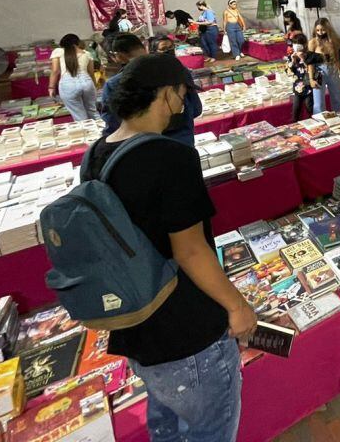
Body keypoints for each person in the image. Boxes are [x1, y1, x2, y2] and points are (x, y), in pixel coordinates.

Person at [84, 53, 256, 441]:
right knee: (210, 430)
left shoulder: (96, 153)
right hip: (187, 330)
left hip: (137, 326)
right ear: (165, 95)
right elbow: (191, 250)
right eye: (181, 95)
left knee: (165, 426)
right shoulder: (171, 157)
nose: (182, 106)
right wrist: (237, 306)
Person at [101, 35, 202, 146]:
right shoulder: (178, 71)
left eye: (171, 47)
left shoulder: (114, 84)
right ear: (145, 47)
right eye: (164, 49)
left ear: (118, 55)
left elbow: (113, 124)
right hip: (182, 141)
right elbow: (196, 108)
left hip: (140, 147)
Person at [307, 18, 340, 113]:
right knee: (319, 103)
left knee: (336, 99)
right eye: (318, 30)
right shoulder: (313, 42)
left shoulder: (335, 41)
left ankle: (338, 118)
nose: (320, 32)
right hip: (318, 72)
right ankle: (320, 123)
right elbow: (310, 63)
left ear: (328, 29)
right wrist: (311, 79)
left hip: (333, 70)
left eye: (323, 30)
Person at [50, 34, 100, 121]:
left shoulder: (58, 51)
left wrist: (51, 87)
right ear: (78, 42)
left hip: (68, 84)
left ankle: (87, 133)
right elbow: (91, 73)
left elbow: (55, 71)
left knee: (79, 116)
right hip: (87, 82)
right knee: (93, 112)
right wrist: (94, 87)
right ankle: (103, 132)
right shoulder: (87, 54)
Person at [288, 33, 324, 122]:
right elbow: (289, 71)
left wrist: (303, 59)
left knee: (309, 107)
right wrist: (292, 61)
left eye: (298, 44)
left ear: (304, 45)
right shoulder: (292, 56)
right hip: (298, 87)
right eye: (294, 44)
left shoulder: (310, 55)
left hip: (308, 86)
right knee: (296, 109)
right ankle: (294, 124)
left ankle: (313, 122)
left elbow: (310, 69)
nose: (296, 47)